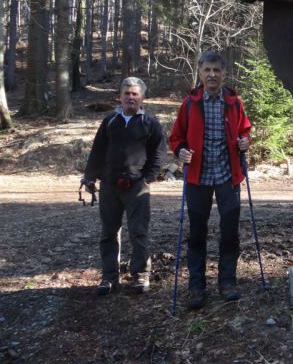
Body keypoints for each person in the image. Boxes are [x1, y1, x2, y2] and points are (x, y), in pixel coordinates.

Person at [169, 50, 251, 310]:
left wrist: (245, 141)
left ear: (224, 73)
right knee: (197, 233)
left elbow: (245, 129)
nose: (212, 75)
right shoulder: (190, 103)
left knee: (229, 231)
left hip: (228, 176)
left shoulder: (234, 102)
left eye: (217, 70)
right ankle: (196, 287)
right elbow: (176, 136)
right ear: (200, 72)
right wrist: (180, 149)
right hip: (198, 177)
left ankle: (227, 282)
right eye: (207, 70)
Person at [84, 77, 166, 295]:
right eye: (127, 93)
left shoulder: (150, 123)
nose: (131, 97)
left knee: (139, 232)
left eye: (135, 94)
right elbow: (97, 151)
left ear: (142, 97)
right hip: (109, 185)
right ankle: (109, 278)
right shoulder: (110, 121)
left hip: (137, 186)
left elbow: (159, 153)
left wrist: (148, 177)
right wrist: (90, 177)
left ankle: (140, 276)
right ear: (119, 97)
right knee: (108, 233)